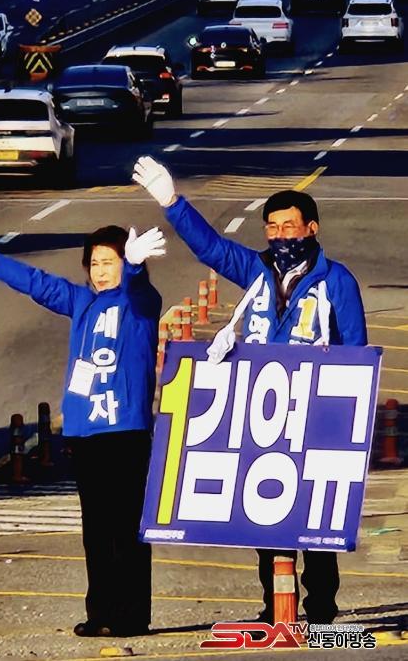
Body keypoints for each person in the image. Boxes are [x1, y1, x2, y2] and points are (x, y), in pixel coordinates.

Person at [132, 155, 367, 626]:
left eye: (289, 227)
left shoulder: (337, 280)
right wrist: (172, 202)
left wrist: (344, 425)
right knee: (264, 514)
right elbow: (213, 249)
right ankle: (274, 607)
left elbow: (356, 354)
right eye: (272, 228)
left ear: (312, 228)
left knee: (315, 519)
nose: (280, 236)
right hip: (262, 414)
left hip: (313, 416)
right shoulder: (257, 271)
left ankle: (321, 609)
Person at [0, 223, 165, 637]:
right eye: (94, 263)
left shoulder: (139, 303)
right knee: (96, 529)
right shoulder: (82, 301)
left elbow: (140, 292)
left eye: (110, 262)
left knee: (126, 527)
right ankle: (100, 612)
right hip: (85, 434)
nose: (101, 271)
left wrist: (136, 268)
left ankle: (131, 615)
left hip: (124, 432)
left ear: (126, 263)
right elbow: (38, 283)